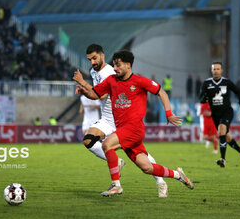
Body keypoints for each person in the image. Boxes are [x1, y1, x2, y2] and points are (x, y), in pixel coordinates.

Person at [75, 50, 194, 196]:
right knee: (147, 167)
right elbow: (95, 94)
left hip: (134, 129)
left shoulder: (140, 81)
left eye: (118, 65)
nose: (115, 68)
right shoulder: (111, 81)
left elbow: (161, 92)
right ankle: (178, 175)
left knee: (107, 145)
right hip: (122, 129)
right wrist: (84, 92)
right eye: (114, 65)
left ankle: (116, 185)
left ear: (128, 65)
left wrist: (168, 113)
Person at [200, 62, 240, 168]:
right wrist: (204, 98)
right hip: (215, 115)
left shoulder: (226, 82)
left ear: (221, 70)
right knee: (226, 137)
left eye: (218, 69)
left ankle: (223, 159)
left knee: (221, 131)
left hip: (227, 112)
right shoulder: (207, 83)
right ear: (211, 71)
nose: (216, 71)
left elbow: (238, 92)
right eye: (214, 69)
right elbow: (201, 97)